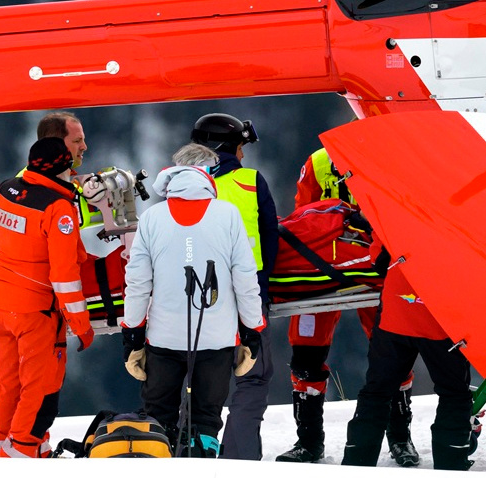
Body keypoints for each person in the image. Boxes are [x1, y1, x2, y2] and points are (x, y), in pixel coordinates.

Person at [120, 143, 266, 457]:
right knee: (206, 419)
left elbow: (138, 283)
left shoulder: (152, 217)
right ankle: (203, 457)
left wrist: (132, 335)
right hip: (217, 338)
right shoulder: (228, 214)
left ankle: (159, 456)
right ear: (209, 173)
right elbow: (245, 278)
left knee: (158, 416)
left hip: (164, 338)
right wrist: (252, 331)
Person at [276, 147, 419, 465]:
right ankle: (308, 442)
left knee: (394, 351)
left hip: (375, 267)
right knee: (305, 352)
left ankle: (400, 439)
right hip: (322, 269)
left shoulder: (395, 159)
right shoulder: (319, 161)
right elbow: (303, 218)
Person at [0, 112, 89, 457]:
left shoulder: (7, 189)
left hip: (0, 304)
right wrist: (81, 325)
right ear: (61, 160)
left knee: (8, 384)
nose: (83, 149)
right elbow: (64, 277)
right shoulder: (58, 208)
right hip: (35, 312)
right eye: (77, 143)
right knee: (37, 392)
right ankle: (22, 456)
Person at [189, 112, 278, 461]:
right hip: (246, 295)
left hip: (195, 298)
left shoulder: (178, 186)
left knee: (198, 377)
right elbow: (270, 238)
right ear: (227, 146)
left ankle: (191, 452)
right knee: (253, 377)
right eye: (241, 147)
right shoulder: (251, 181)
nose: (242, 155)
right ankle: (239, 459)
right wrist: (264, 286)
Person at [342, 255, 473, 471]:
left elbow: (378, 260)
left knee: (376, 393)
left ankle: (356, 467)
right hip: (441, 319)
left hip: (396, 311)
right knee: (454, 394)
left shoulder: (397, 230)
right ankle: (451, 467)